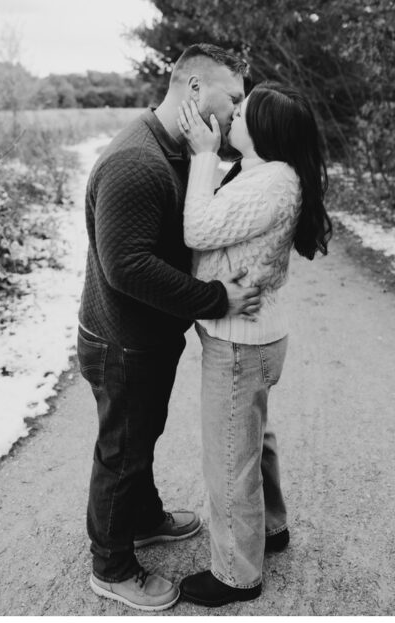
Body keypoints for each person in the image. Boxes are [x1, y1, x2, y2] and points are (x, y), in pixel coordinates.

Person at [77, 43, 263, 612]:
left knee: (142, 435)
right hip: (122, 342)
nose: (238, 109)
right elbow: (127, 266)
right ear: (194, 92)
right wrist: (215, 298)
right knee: (123, 450)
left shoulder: (174, 150)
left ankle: (143, 517)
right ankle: (111, 565)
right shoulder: (137, 162)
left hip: (146, 338)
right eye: (232, 98)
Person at [175, 83, 331, 606]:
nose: (231, 116)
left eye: (240, 113)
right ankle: (271, 528)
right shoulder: (267, 174)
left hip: (240, 342)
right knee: (251, 440)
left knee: (229, 456)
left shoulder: (271, 183)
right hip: (253, 335)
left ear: (263, 130)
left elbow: (198, 229)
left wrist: (201, 156)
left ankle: (237, 575)